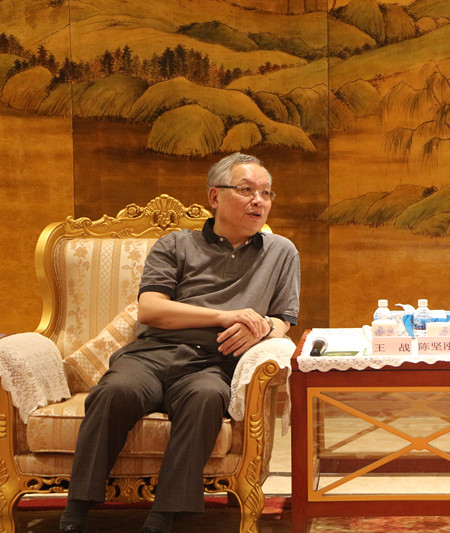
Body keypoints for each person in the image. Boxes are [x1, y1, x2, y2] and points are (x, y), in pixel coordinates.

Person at [59, 153, 301, 533]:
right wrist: (225, 316)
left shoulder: (281, 252)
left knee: (206, 397)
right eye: (246, 190)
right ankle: (75, 512)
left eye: (266, 193)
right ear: (215, 196)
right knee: (115, 391)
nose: (259, 200)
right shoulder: (175, 244)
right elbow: (151, 309)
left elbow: (283, 320)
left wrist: (260, 327)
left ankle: (162, 518)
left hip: (213, 363)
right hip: (152, 354)